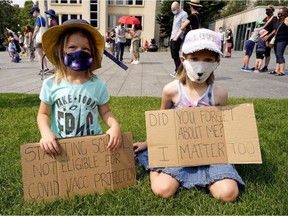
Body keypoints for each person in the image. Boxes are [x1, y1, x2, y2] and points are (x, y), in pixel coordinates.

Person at [133, 29, 244, 202]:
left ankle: (211, 174)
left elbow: (225, 127)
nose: (201, 65)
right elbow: (161, 124)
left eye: (207, 60)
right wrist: (148, 144)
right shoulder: (171, 90)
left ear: (217, 62)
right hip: (178, 149)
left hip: (211, 150)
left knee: (228, 193)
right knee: (163, 190)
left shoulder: (219, 93)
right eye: (194, 59)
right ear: (183, 59)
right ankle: (155, 166)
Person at [37, 19, 122, 155]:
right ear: (61, 51)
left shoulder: (98, 85)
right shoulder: (51, 84)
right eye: (72, 47)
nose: (79, 52)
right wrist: (46, 133)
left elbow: (106, 112)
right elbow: (43, 114)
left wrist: (114, 126)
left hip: (93, 147)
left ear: (92, 53)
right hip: (62, 147)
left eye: (85, 49)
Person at [169, 1, 188, 78]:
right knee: (173, 55)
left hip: (177, 37)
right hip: (173, 37)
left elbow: (183, 27)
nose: (173, 11)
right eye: (172, 9)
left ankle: (180, 71)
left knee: (175, 55)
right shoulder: (175, 15)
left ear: (178, 7)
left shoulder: (184, 14)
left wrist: (177, 37)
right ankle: (177, 69)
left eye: (174, 9)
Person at [268, 7, 288, 76]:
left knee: (280, 54)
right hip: (277, 39)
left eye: (281, 12)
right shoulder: (279, 20)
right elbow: (276, 30)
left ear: (284, 12)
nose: (279, 13)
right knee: (277, 55)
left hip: (283, 39)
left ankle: (282, 71)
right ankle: (277, 70)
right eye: (279, 12)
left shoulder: (286, 19)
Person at [30, 5, 49, 74]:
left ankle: (42, 69)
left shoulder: (38, 18)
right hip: (43, 38)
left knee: (39, 54)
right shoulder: (43, 18)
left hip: (38, 38)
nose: (33, 14)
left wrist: (33, 36)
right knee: (43, 54)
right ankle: (46, 67)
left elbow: (37, 28)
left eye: (33, 12)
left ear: (36, 11)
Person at [260, 5, 278, 72]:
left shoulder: (274, 18)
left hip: (268, 38)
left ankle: (265, 66)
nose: (267, 12)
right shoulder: (265, 18)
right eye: (267, 10)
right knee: (260, 51)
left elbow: (275, 29)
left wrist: (268, 36)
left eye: (269, 10)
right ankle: (259, 65)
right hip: (262, 37)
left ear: (272, 11)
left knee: (267, 52)